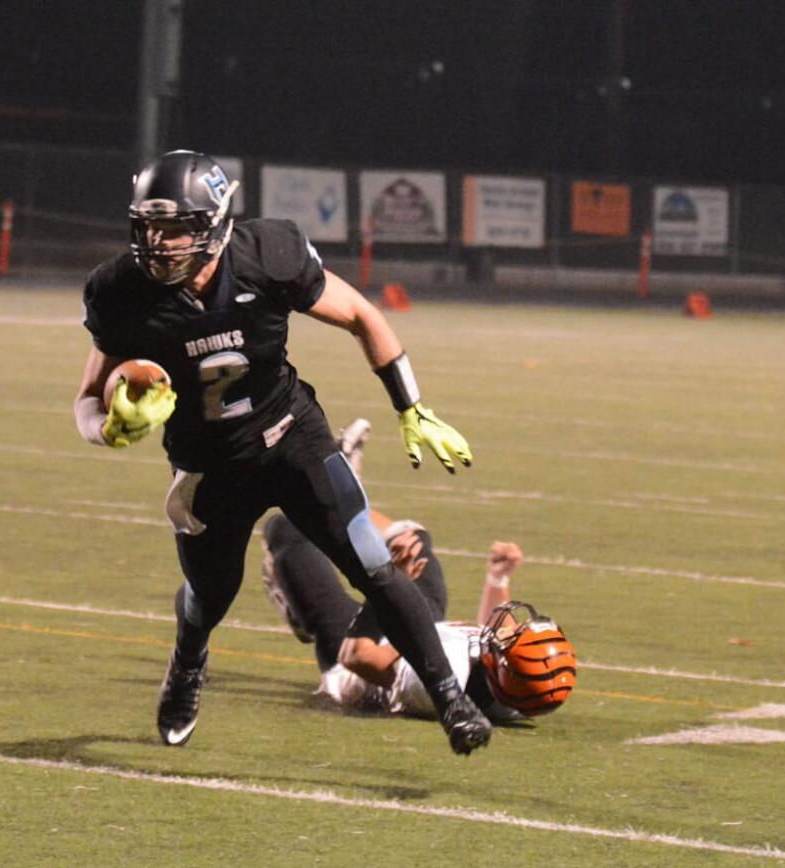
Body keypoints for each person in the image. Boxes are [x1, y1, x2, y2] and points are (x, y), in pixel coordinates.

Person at [72, 150, 490, 755]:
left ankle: (452, 698)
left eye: (175, 227)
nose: (158, 242)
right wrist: (109, 427)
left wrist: (411, 405)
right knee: (211, 595)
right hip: (207, 464)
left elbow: (359, 314)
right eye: (149, 227)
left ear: (213, 224)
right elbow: (88, 398)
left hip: (290, 435)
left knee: (371, 563)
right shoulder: (120, 290)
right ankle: (188, 662)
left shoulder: (267, 254)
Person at [260, 421, 576, 722]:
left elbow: (356, 657)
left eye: (514, 634)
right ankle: (346, 500)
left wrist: (388, 583)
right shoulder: (515, 690)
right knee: (413, 539)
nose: (512, 625)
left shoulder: (438, 679)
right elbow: (499, 640)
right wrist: (498, 577)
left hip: (357, 654)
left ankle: (304, 597)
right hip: (422, 630)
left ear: (501, 667)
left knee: (290, 529)